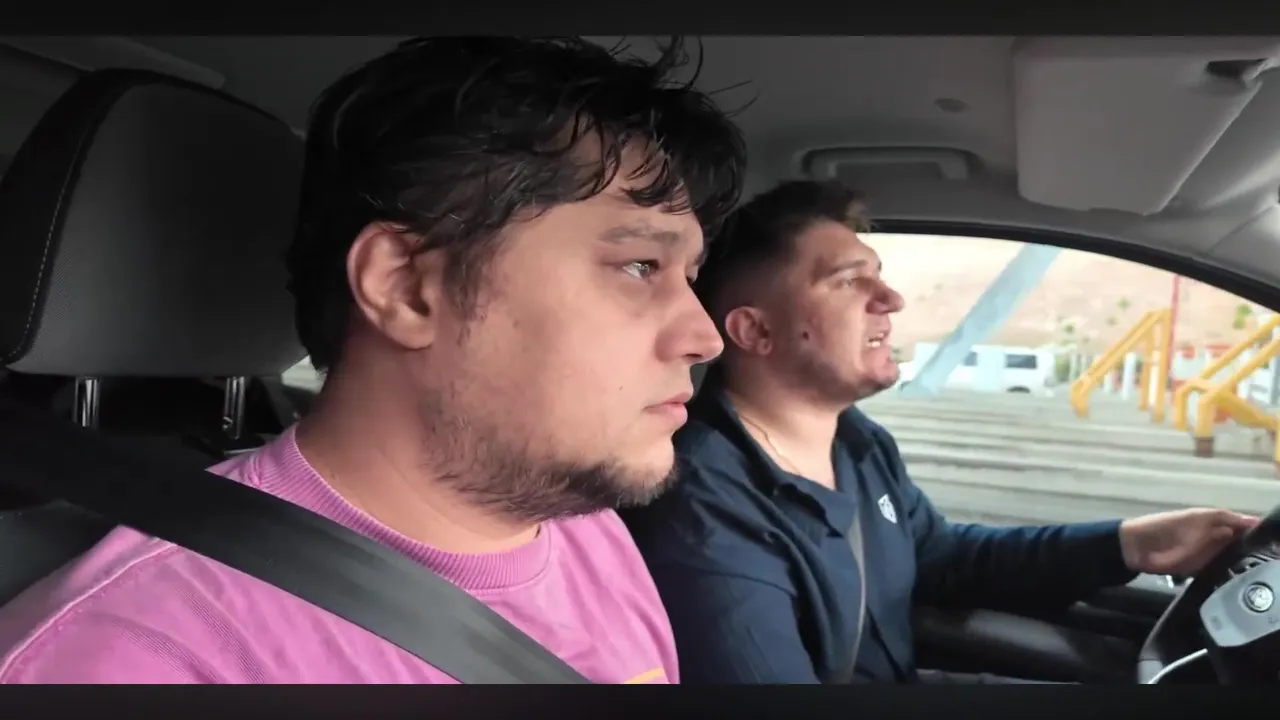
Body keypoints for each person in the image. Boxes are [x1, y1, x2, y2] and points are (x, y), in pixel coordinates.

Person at [0, 37, 742, 684]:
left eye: (690, 277)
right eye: (640, 266)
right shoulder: (140, 659)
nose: (705, 337)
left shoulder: (585, 526)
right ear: (407, 288)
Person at [619, 179, 1257, 685]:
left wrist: (1129, 544)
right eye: (849, 281)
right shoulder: (704, 508)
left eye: (877, 274)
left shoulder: (858, 443)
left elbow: (943, 559)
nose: (890, 299)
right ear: (755, 331)